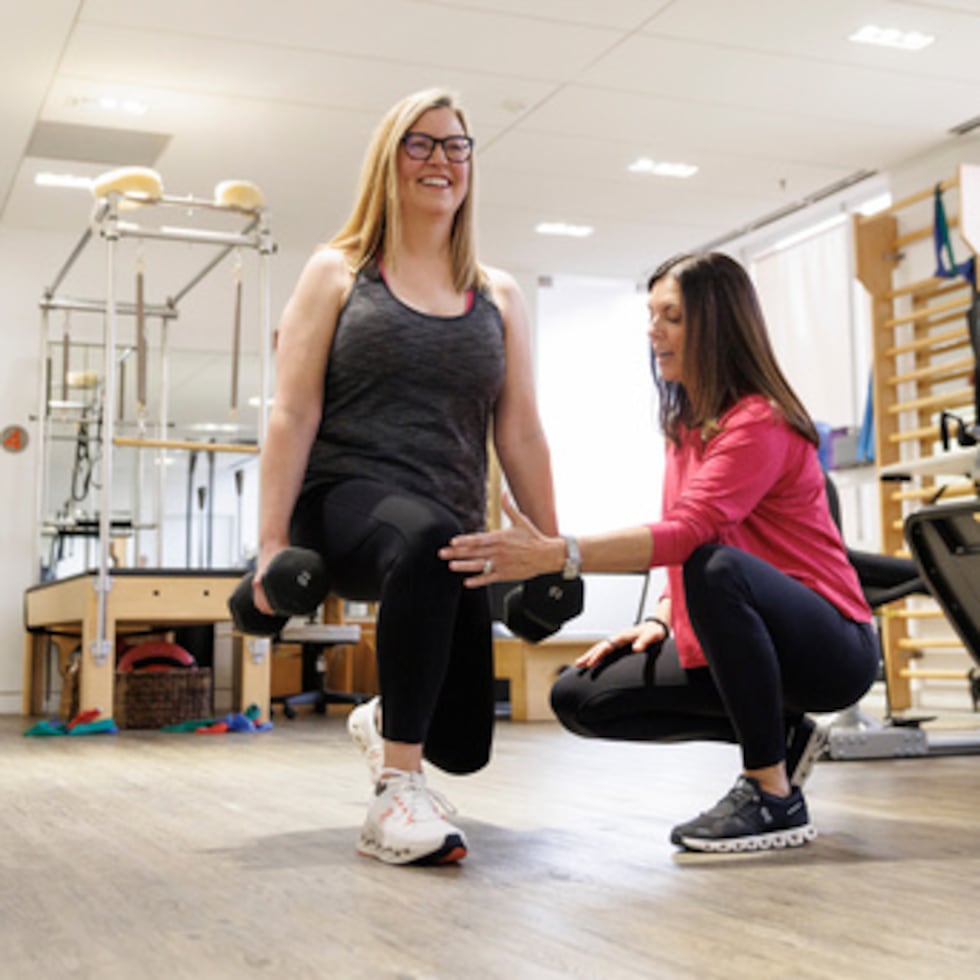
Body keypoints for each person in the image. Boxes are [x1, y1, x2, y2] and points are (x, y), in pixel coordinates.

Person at [440, 251, 879, 854]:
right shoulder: (685, 429)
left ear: (716, 324)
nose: (653, 332)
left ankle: (772, 795)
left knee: (713, 565)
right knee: (581, 695)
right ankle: (782, 737)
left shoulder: (759, 422)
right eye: (651, 316)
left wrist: (556, 554)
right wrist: (659, 618)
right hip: (749, 636)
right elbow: (686, 535)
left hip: (831, 649)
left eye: (670, 316)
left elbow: (690, 535)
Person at [253, 88, 558, 866]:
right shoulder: (339, 273)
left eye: (456, 146)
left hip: (450, 527)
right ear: (388, 161)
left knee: (464, 743)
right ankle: (395, 792)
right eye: (419, 144)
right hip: (348, 503)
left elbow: (520, 429)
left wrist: (552, 551)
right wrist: (269, 547)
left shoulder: (498, 294)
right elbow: (292, 415)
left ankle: (391, 724)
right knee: (422, 537)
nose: (440, 161)